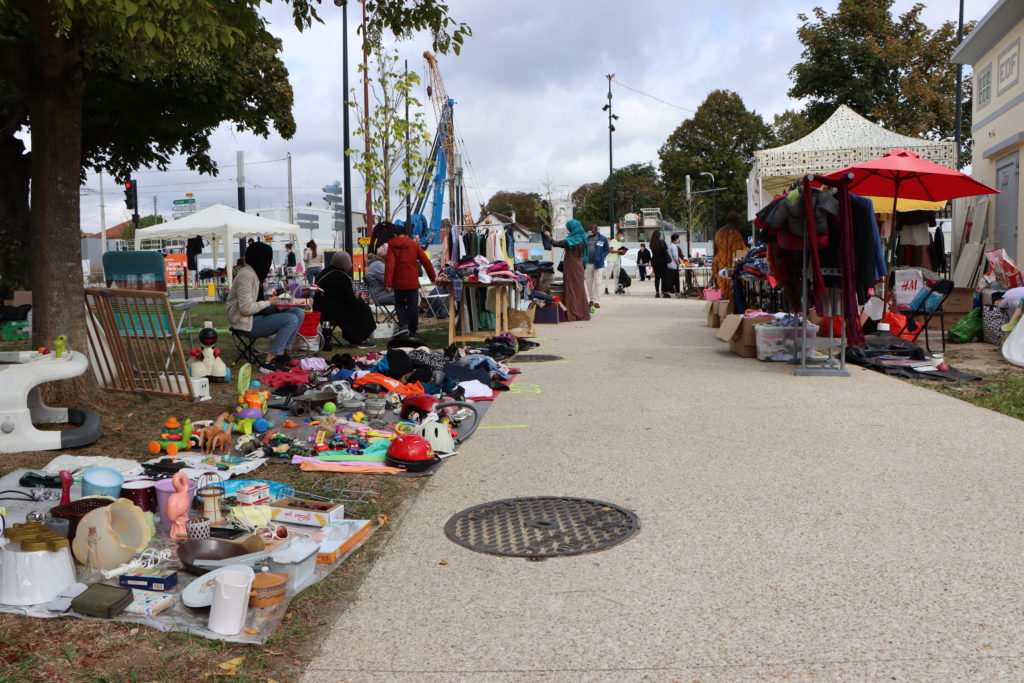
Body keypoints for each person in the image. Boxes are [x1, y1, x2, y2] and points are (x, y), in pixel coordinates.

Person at [226, 241, 306, 372]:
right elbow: (246, 308)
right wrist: (269, 303)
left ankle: (282, 354)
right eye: (267, 259)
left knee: (298, 312)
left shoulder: (255, 273)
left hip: (254, 316)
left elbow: (256, 304)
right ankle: (270, 361)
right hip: (244, 323)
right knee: (290, 319)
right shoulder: (246, 276)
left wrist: (279, 304)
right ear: (261, 259)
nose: (269, 263)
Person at [313, 251, 376, 350]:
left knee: (356, 308)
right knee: (364, 308)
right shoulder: (341, 277)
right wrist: (360, 299)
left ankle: (355, 337)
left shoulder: (323, 273)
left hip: (320, 310)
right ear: (345, 263)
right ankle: (358, 339)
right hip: (332, 312)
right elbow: (351, 301)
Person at [385, 224, 436, 343]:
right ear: (406, 234)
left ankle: (402, 325)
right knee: (413, 306)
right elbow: (426, 261)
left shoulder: (392, 246)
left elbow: (390, 265)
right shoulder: (414, 245)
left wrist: (388, 282)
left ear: (394, 234)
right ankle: (412, 332)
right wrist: (432, 276)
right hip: (412, 281)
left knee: (400, 304)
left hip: (398, 281)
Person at [542, 219, 590, 321]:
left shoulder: (570, 240)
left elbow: (555, 243)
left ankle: (573, 314)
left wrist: (548, 235)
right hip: (579, 267)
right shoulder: (582, 238)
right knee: (579, 289)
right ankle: (583, 313)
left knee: (571, 289)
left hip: (571, 267)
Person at [712, 211, 747, 300]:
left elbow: (715, 249)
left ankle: (724, 305)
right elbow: (741, 251)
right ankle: (731, 307)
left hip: (720, 263)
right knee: (733, 289)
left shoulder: (719, 232)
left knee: (723, 286)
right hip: (732, 266)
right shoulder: (736, 234)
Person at [584, 224, 610, 308]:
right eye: (589, 230)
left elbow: (607, 250)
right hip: (588, 263)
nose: (590, 232)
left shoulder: (603, 238)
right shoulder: (586, 238)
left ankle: (596, 301)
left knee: (598, 283)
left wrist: (601, 257)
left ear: (596, 230)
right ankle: (591, 299)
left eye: (592, 230)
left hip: (598, 264)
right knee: (588, 282)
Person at [604, 230, 627, 295]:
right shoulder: (613, 241)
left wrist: (622, 252)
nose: (622, 237)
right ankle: (606, 288)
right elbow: (610, 250)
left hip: (617, 260)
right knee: (608, 274)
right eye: (621, 236)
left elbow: (619, 252)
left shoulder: (620, 243)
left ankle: (616, 289)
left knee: (616, 275)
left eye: (623, 236)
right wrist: (618, 251)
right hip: (611, 260)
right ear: (617, 235)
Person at [649, 230, 670, 298]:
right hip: (662, 261)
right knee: (664, 277)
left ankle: (657, 293)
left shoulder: (651, 243)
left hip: (655, 261)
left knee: (657, 277)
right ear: (659, 236)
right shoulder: (662, 242)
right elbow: (667, 251)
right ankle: (665, 292)